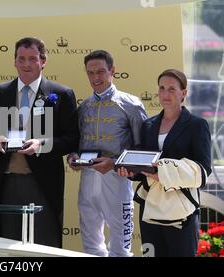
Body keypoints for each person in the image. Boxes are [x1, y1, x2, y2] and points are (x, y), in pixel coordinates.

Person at [0, 37, 79, 248]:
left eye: (32, 59)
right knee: (6, 245)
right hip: (7, 183)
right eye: (21, 58)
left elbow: (72, 138)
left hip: (43, 184)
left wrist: (42, 144)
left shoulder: (61, 94)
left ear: (43, 61)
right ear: (14, 61)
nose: (26, 64)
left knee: (43, 245)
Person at [117, 69, 211, 257]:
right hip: (151, 210)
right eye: (161, 88)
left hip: (181, 210)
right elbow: (144, 165)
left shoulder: (197, 125)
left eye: (171, 89)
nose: (165, 94)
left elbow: (203, 169)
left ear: (183, 93)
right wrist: (131, 172)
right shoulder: (148, 125)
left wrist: (165, 172)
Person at [68, 50, 147, 256]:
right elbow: (76, 142)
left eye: (101, 72)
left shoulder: (131, 104)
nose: (96, 78)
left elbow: (142, 148)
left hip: (117, 178)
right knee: (91, 243)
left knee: (121, 247)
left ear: (112, 71)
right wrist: (72, 157)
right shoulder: (84, 107)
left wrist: (113, 163)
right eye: (90, 73)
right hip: (88, 179)